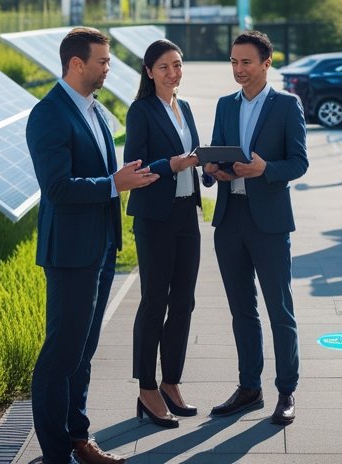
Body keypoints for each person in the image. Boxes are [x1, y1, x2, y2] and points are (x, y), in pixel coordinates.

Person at [27, 27, 159, 464]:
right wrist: (112, 184)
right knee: (60, 355)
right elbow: (57, 188)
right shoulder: (49, 114)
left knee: (83, 352)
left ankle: (78, 438)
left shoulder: (96, 111)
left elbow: (104, 176)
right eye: (102, 61)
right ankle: (54, 453)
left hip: (101, 249)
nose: (109, 68)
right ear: (76, 64)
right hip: (69, 253)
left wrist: (129, 177)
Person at [203, 30, 309, 426]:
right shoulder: (225, 105)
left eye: (246, 62)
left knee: (280, 310)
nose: (238, 69)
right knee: (241, 310)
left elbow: (299, 163)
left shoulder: (286, 105)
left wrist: (266, 170)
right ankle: (249, 387)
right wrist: (211, 172)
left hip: (269, 223)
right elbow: (214, 154)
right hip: (230, 220)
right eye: (233, 62)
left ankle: (286, 391)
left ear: (267, 63)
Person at [123, 39, 202, 428]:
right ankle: (147, 387)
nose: (174, 73)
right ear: (150, 71)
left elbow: (195, 155)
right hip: (155, 218)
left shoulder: (183, 108)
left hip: (187, 214)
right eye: (165, 67)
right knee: (155, 301)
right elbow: (133, 166)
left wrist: (211, 165)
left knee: (184, 302)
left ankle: (171, 382)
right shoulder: (141, 111)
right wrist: (170, 164)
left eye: (178, 65)